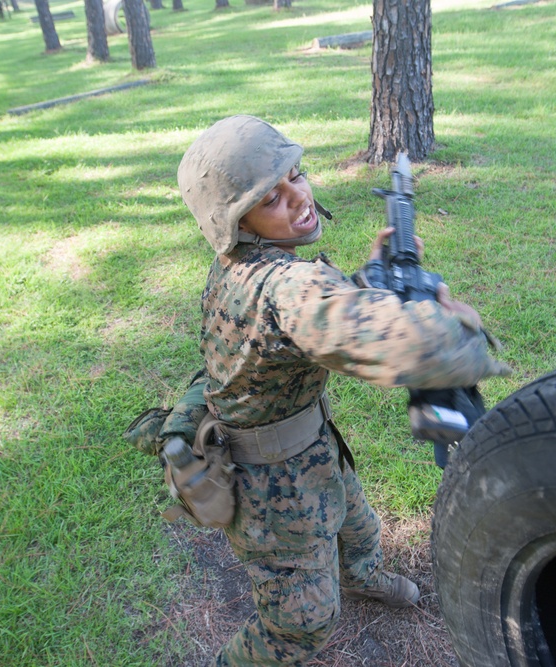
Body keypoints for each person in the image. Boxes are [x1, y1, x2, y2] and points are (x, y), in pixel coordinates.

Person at [169, 115, 509, 665]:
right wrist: (458, 329)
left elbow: (311, 318)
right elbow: (393, 342)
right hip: (271, 483)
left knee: (356, 522)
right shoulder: (286, 285)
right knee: (301, 623)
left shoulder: (243, 267)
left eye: (296, 176)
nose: (298, 197)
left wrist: (370, 281)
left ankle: (364, 575)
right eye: (270, 199)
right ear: (236, 222)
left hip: (310, 443)